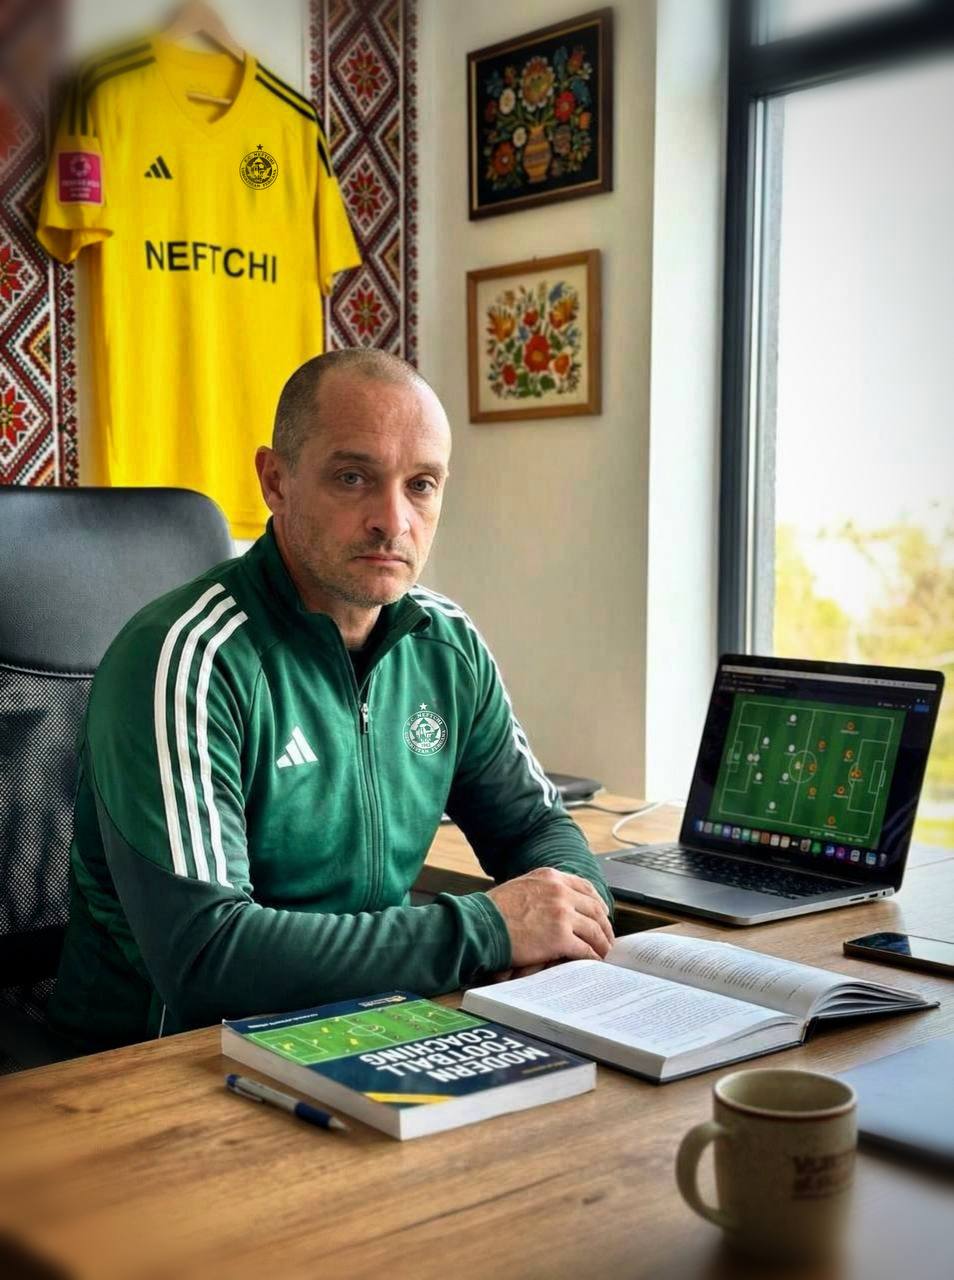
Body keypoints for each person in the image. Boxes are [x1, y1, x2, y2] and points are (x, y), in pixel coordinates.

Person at [49, 349, 614, 1052]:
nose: (393, 520)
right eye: (353, 478)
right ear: (275, 481)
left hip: (369, 1024)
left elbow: (535, 827)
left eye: (421, 485)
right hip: (168, 1062)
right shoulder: (185, 657)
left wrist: (566, 923)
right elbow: (208, 957)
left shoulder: (446, 645)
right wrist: (489, 931)